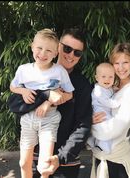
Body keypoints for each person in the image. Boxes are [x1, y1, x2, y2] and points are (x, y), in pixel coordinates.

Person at [9, 28, 74, 178]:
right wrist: (23, 91)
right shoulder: (23, 70)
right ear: (32, 47)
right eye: (39, 48)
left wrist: (48, 102)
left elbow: (69, 94)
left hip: (49, 119)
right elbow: (13, 86)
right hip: (28, 118)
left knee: (44, 166)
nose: (43, 54)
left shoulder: (59, 71)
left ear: (56, 53)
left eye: (49, 50)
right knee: (23, 163)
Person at [32, 27, 93, 178]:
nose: (71, 55)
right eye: (67, 48)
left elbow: (83, 125)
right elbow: (16, 105)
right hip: (37, 155)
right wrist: (46, 95)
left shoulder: (82, 85)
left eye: (77, 52)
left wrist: (61, 157)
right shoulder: (35, 72)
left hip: (66, 161)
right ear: (58, 46)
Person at [90, 42, 130, 178]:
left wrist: (89, 126)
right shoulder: (112, 86)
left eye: (125, 62)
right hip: (102, 152)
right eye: (116, 63)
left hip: (116, 156)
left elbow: (116, 128)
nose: (120, 68)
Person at [87, 62, 120, 154]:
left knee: (103, 128)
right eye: (104, 76)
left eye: (111, 77)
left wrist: (113, 89)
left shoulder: (106, 87)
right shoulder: (98, 90)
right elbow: (104, 101)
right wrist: (115, 103)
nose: (107, 79)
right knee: (106, 127)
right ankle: (102, 147)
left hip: (104, 110)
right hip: (99, 111)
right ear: (97, 78)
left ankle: (91, 141)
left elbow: (109, 91)